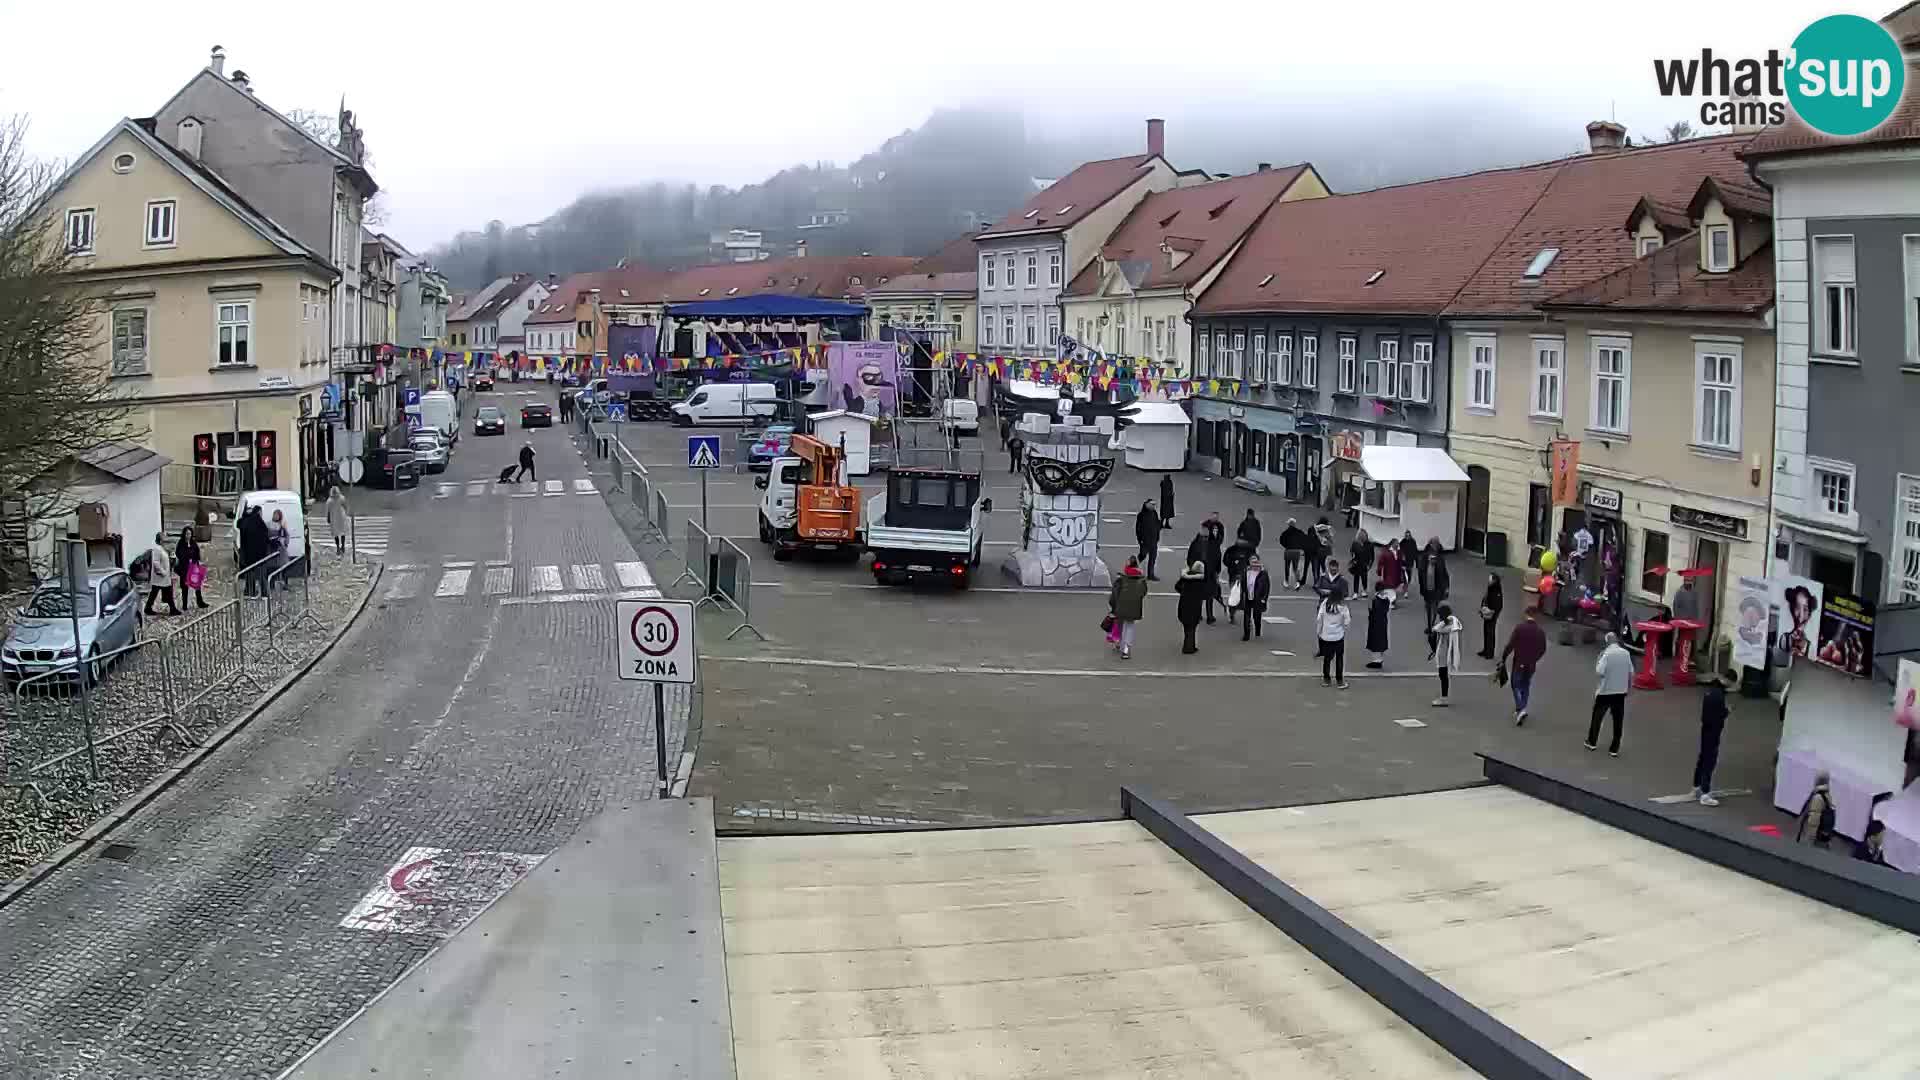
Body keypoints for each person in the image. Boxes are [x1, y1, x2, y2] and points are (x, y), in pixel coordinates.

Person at [1499, 609, 1548, 725]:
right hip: (1531, 664)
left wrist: (1504, 657)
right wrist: (1535, 658)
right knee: (1525, 685)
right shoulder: (1540, 631)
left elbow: (1511, 644)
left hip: (1519, 661)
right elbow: (1543, 649)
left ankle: (1520, 708)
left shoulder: (1520, 628)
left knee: (1515, 684)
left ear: (1526, 615)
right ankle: (1522, 708)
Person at [1588, 632, 1633, 756]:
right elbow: (1630, 672)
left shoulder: (1606, 654)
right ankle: (1614, 748)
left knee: (1597, 717)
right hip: (1620, 692)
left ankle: (1592, 742)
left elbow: (1599, 671)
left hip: (1606, 691)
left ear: (1607, 641)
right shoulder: (1626, 653)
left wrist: (1599, 660)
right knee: (1618, 721)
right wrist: (1628, 688)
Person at [1692, 680, 1729, 806]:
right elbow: (1719, 714)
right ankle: (1705, 793)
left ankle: (1696, 786)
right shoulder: (1719, 696)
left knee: (1702, 758)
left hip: (1705, 729)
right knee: (1710, 761)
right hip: (1713, 732)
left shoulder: (1708, 692)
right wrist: (1726, 712)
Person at [1106, 556, 1149, 660]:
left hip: (1120, 606)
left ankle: (1118, 642)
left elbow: (1114, 595)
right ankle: (1126, 649)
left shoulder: (1121, 579)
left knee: (1119, 623)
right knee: (1129, 626)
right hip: (1134, 607)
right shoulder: (1141, 580)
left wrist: (1112, 605)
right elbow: (1143, 593)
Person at [1419, 538, 1450, 660]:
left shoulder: (1440, 559)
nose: (1436, 546)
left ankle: (1431, 626)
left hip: (1437, 588)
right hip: (1427, 588)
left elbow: (1444, 574)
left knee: (1434, 607)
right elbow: (1420, 572)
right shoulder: (1425, 557)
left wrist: (1446, 587)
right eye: (1435, 544)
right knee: (1428, 607)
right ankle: (1429, 625)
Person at [1316, 593, 1351, 689]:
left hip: (1326, 636)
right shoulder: (1343, 607)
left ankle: (1326, 679)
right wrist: (1343, 627)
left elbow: (1319, 619)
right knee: (1339, 658)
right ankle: (1339, 680)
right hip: (1338, 636)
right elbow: (1347, 621)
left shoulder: (1325, 604)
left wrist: (1319, 632)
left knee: (1327, 658)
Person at [1430, 602, 1463, 707]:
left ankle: (1444, 698)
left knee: (1443, 675)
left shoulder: (1447, 626)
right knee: (1443, 675)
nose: (1439, 618)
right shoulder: (1450, 623)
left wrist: (1434, 648)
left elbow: (1436, 632)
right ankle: (1444, 697)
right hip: (1443, 652)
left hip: (1444, 653)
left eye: (1440, 615)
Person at [142, 530, 180, 617]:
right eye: (164, 538)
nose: (165, 540)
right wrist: (162, 572)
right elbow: (156, 563)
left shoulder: (162, 549)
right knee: (162, 593)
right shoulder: (157, 549)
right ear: (160, 540)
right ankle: (172, 609)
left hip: (163, 578)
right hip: (160, 577)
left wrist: (172, 558)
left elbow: (165, 561)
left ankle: (148, 608)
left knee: (155, 593)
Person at [1796, 771, 1836, 849]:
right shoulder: (1827, 796)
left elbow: (1813, 822)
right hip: (1822, 836)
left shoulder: (1818, 797)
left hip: (1814, 839)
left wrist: (1809, 840)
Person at [1175, 561, 1207, 654]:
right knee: (1192, 627)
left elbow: (1177, 587)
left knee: (1186, 626)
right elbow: (1204, 594)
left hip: (1184, 603)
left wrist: (1184, 592)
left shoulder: (1185, 578)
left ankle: (1189, 645)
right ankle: (1189, 647)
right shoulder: (1201, 580)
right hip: (1195, 605)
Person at [237, 506, 270, 597]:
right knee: (262, 576)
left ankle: (250, 591)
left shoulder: (246, 522)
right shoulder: (260, 523)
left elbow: (239, 525)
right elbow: (265, 538)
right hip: (260, 555)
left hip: (248, 554)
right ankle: (264, 593)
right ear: (259, 512)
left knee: (249, 574)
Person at [175, 526, 208, 610]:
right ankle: (185, 604)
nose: (188, 536)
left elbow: (197, 553)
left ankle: (200, 602)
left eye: (189, 534)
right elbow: (179, 554)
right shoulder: (181, 543)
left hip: (193, 566)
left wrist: (196, 562)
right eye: (187, 534)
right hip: (184, 568)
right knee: (184, 587)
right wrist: (187, 554)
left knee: (197, 586)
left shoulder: (193, 543)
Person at [1240, 554, 1271, 641]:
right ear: (1249, 562)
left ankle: (1258, 631)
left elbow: (1267, 587)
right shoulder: (1246, 572)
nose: (1254, 563)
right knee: (1246, 616)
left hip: (1258, 598)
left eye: (1255, 561)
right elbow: (1242, 584)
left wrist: (1264, 598)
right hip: (1248, 597)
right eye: (1252, 561)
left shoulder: (1263, 573)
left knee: (1257, 616)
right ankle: (1246, 635)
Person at [1365, 579, 1392, 669]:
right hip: (1383, 621)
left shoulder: (1375, 599)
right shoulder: (1386, 599)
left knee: (1375, 640)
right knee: (1381, 639)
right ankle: (1379, 658)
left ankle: (1376, 661)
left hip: (1375, 622)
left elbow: (1372, 610)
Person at [1477, 573, 1504, 659]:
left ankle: (1490, 653)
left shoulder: (1496, 591)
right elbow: (1485, 599)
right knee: (1486, 632)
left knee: (1490, 633)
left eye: (1490, 578)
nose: (1489, 580)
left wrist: (1492, 612)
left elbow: (1498, 605)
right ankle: (1485, 650)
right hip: (1487, 614)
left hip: (1492, 615)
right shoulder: (1490, 588)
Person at [1134, 501, 1163, 580]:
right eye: (1152, 504)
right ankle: (1132, 568)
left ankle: (1151, 574)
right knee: (1142, 555)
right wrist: (1140, 540)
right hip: (1145, 540)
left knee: (1152, 558)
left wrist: (1158, 533)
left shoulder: (1154, 513)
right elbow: (1138, 529)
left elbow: (1157, 524)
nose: (1154, 506)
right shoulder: (1141, 515)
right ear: (1147, 505)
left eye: (1154, 504)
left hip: (1153, 540)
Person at [268, 509, 292, 591]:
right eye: (275, 514)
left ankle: (285, 583)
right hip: (272, 549)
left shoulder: (282, 525)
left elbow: (287, 536)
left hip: (281, 549)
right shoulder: (269, 524)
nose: (276, 516)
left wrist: (285, 542)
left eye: (277, 515)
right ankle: (271, 584)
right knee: (272, 567)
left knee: (285, 567)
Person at [1279, 518, 1307, 589]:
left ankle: (1286, 581)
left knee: (1287, 566)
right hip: (1296, 551)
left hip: (1288, 550)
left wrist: (1286, 546)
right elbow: (1304, 539)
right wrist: (1301, 547)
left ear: (1288, 524)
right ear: (1294, 524)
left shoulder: (1285, 532)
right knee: (1295, 567)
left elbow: (1281, 541)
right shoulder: (1299, 532)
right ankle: (1297, 582)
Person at [1375, 541, 1403, 609]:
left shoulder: (1398, 553)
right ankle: (1390, 603)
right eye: (1396, 544)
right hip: (1388, 574)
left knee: (1394, 588)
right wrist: (1379, 571)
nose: (1397, 545)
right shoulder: (1386, 553)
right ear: (1392, 544)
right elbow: (1381, 563)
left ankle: (1391, 602)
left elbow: (1400, 562)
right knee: (1390, 588)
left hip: (1396, 574)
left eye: (1398, 544)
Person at [1348, 528, 1374, 598]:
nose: (1364, 537)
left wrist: (1369, 565)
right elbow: (1351, 552)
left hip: (1365, 563)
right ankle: (1355, 592)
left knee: (1364, 577)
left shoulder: (1370, 545)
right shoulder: (1355, 543)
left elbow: (1372, 556)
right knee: (1356, 577)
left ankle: (1364, 590)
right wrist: (1353, 559)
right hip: (1357, 563)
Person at [325, 486, 350, 556]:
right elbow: (346, 507)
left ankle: (338, 548)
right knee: (342, 532)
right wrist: (346, 513)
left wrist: (328, 518)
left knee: (336, 534)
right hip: (341, 517)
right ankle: (343, 546)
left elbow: (328, 511)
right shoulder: (341, 498)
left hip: (334, 518)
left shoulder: (329, 501)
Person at [1397, 531, 1419, 606]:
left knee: (1409, 577)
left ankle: (1405, 586)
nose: (1407, 536)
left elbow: (1416, 553)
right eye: (1406, 535)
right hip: (1403, 563)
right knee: (1404, 576)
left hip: (1410, 562)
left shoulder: (1413, 542)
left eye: (1409, 535)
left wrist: (1417, 563)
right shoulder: (1402, 542)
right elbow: (1399, 551)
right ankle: (1405, 590)